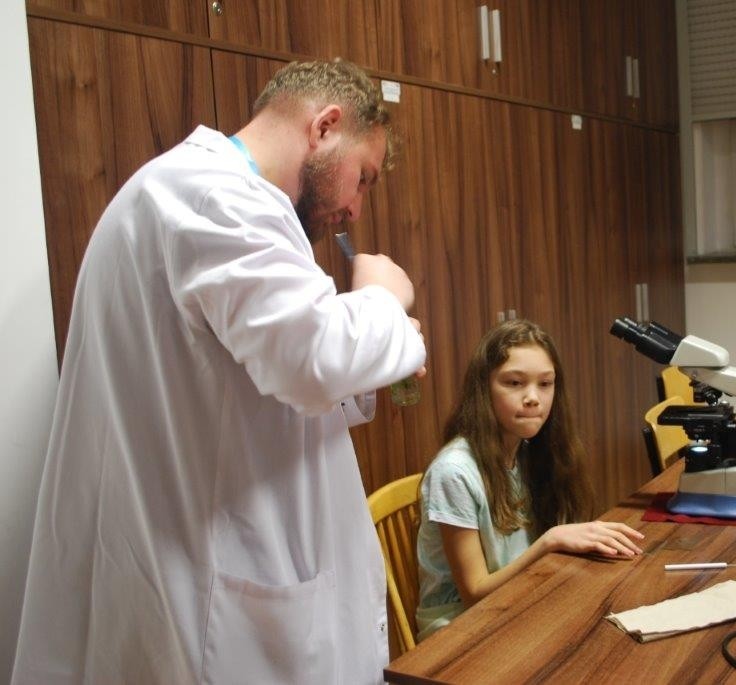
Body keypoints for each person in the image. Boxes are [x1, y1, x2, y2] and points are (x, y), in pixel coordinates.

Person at [13, 59, 426, 684]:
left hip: (220, 575)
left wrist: (373, 357)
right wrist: (382, 298)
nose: (355, 209)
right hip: (214, 605)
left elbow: (244, 388)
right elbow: (310, 359)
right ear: (324, 126)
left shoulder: (211, 200)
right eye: (362, 178)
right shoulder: (214, 196)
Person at [415, 320, 644, 640]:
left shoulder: (527, 451)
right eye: (514, 383)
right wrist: (550, 541)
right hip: (460, 631)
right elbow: (474, 594)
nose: (533, 398)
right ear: (483, 389)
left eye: (545, 384)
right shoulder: (454, 472)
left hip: (518, 603)